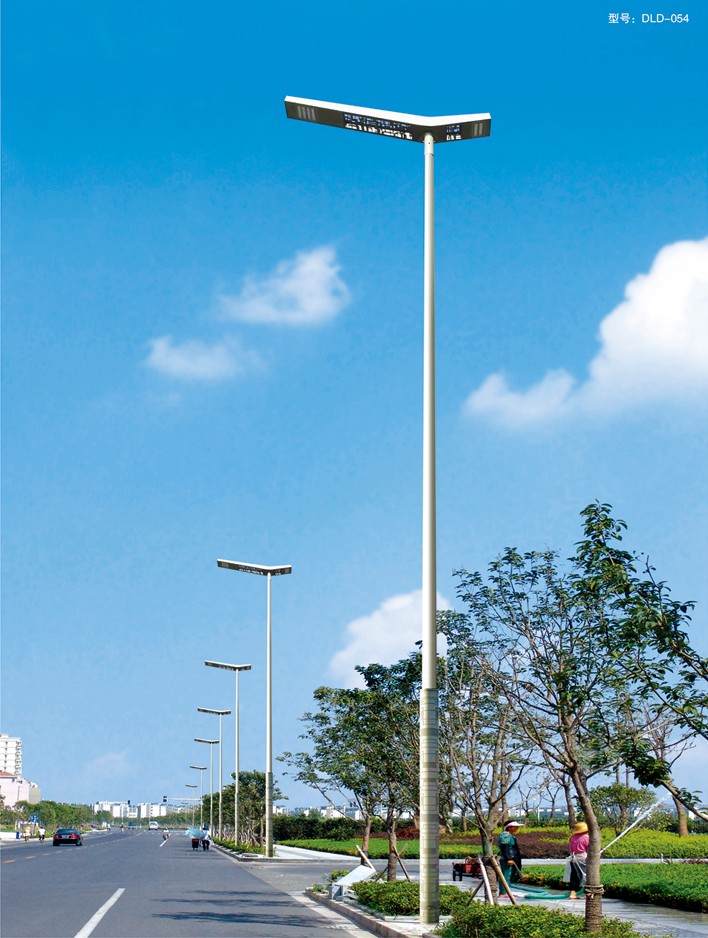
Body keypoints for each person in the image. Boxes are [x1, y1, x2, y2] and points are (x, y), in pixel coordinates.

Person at [568, 821, 589, 899]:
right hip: (583, 858)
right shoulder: (586, 838)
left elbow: (571, 849)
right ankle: (587, 894)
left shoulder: (572, 838)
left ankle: (572, 893)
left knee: (574, 876)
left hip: (574, 858)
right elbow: (589, 849)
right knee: (587, 875)